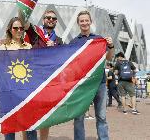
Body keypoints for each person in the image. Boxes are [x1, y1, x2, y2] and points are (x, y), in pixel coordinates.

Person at [71, 10, 114, 140]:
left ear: (90, 21)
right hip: (81, 85)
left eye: (86, 20)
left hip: (99, 83)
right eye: (81, 21)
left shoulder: (99, 39)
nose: (84, 23)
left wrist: (111, 45)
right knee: (78, 117)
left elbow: (109, 58)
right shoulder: (73, 42)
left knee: (101, 116)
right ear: (78, 23)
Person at [20, 8, 63, 140]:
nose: (50, 20)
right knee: (28, 114)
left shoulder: (59, 41)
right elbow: (22, 20)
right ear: (43, 19)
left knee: (45, 116)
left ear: (56, 22)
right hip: (33, 80)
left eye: (53, 19)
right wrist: (25, 0)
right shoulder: (36, 33)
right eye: (48, 18)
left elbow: (63, 60)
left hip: (49, 82)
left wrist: (55, 50)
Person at [0, 17, 37, 140]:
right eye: (15, 28)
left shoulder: (28, 46)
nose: (19, 30)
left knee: (30, 126)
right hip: (9, 92)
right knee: (10, 126)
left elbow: (33, 67)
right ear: (10, 30)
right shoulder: (3, 47)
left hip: (25, 91)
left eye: (21, 28)